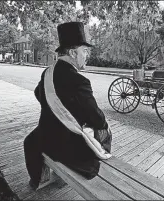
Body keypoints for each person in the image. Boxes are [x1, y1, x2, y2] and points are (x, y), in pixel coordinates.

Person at [24, 22, 112, 190]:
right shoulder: (79, 81)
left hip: (45, 137)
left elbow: (38, 94)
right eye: (84, 51)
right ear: (73, 52)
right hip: (66, 146)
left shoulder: (48, 72)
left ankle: (39, 179)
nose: (87, 55)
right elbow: (97, 118)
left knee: (31, 140)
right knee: (104, 130)